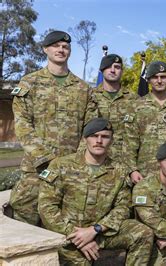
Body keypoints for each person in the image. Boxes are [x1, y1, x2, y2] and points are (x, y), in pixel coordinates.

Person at [9, 30, 98, 225]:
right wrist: (44, 158)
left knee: (65, 223)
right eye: (56, 46)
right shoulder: (30, 83)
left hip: (70, 169)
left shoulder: (83, 88)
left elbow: (90, 130)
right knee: (26, 216)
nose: (61, 49)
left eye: (65, 47)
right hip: (37, 168)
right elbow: (23, 124)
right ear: (45, 49)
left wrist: (78, 160)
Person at [38, 118, 154, 265]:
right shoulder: (61, 165)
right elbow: (46, 207)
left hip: (101, 232)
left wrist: (95, 230)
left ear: (111, 141)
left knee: (143, 233)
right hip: (67, 233)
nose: (99, 141)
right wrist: (77, 236)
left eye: (105, 137)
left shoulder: (119, 170)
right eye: (94, 135)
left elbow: (123, 207)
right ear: (85, 138)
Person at [93, 54, 138, 166]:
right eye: (109, 67)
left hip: (125, 161)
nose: (113, 70)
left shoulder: (135, 99)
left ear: (121, 71)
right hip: (96, 158)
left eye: (117, 67)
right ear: (102, 70)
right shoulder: (90, 96)